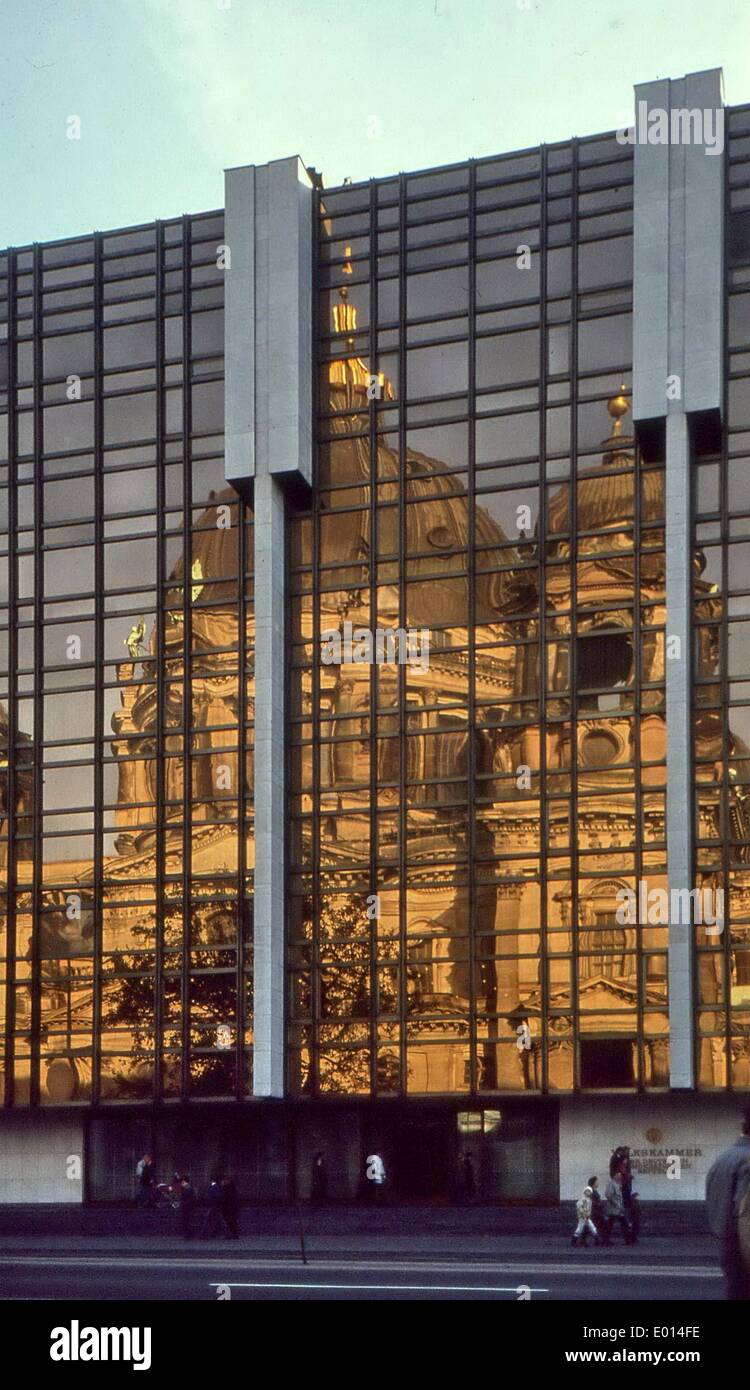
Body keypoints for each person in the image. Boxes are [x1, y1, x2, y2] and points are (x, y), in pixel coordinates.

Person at [706, 1105, 750, 1300]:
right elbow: (745, 1217)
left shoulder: (722, 1159)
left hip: (726, 1246)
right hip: (744, 1250)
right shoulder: (747, 1161)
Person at [604, 1169, 632, 1244]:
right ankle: (606, 1240)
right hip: (613, 1209)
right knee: (610, 1225)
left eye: (620, 1175)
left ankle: (628, 1240)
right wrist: (615, 1203)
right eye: (618, 1174)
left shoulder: (618, 1184)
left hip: (619, 1209)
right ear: (614, 1176)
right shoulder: (611, 1184)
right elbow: (608, 1195)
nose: (620, 1176)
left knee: (624, 1224)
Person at [221, 1174, 240, 1239]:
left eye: (225, 1180)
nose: (223, 1181)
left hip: (229, 1208)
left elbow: (226, 1198)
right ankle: (233, 1234)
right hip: (229, 1208)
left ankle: (233, 1234)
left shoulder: (229, 1189)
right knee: (231, 1221)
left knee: (231, 1221)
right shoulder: (230, 1188)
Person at [589, 1175, 607, 1243]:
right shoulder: (591, 1191)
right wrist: (598, 1204)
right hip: (595, 1212)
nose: (598, 1183)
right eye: (597, 1182)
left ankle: (601, 1240)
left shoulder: (594, 1190)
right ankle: (601, 1240)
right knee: (599, 1226)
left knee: (599, 1226)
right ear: (593, 1183)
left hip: (597, 1211)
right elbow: (591, 1201)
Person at [178, 1174, 196, 1241]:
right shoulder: (189, 1189)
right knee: (187, 1222)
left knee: (187, 1222)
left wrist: (184, 1204)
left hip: (187, 1208)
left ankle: (188, 1235)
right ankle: (188, 1235)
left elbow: (189, 1199)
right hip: (187, 1208)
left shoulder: (188, 1189)